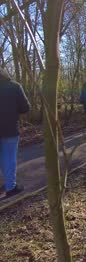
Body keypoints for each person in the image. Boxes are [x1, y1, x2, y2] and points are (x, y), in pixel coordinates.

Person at [0, 68, 30, 197]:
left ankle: (7, 183)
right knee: (9, 157)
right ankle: (10, 187)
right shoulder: (15, 86)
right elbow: (25, 107)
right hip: (10, 128)